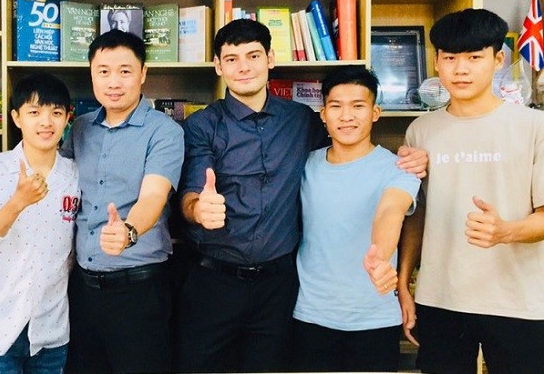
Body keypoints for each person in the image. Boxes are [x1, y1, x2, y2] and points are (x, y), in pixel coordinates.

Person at [175, 19, 428, 373]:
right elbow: (190, 192)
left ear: (270, 59)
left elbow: (356, 159)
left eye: (253, 56)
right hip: (215, 279)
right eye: (231, 59)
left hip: (279, 288)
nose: (244, 67)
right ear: (218, 66)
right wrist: (198, 208)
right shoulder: (201, 125)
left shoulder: (301, 120)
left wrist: (410, 158)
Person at [398, 8, 544, 373]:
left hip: (518, 301)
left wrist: (506, 231)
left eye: (474, 58)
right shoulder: (420, 131)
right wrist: (403, 283)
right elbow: (417, 214)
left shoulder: (534, 126)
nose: (460, 69)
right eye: (450, 58)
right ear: (436, 62)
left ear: (498, 60)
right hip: (440, 298)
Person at [61, 29, 184, 373]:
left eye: (125, 71)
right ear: (92, 74)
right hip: (82, 289)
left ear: (143, 73)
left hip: (139, 291)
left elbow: (154, 196)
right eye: (103, 71)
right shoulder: (80, 128)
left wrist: (128, 231)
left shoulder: (164, 131)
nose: (113, 82)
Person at [290, 66, 421, 372]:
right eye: (336, 106)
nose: (346, 116)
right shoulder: (305, 165)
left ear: (375, 113)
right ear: (323, 114)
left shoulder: (398, 168)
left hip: (374, 318)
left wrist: (380, 259)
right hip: (310, 316)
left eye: (358, 106)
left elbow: (390, 211)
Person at [0, 73, 79, 373]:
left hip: (51, 330)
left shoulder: (75, 174)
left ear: (67, 118)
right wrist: (18, 202)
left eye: (56, 113)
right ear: (16, 117)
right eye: (34, 112)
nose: (46, 122)